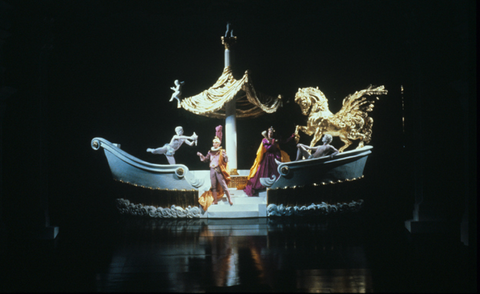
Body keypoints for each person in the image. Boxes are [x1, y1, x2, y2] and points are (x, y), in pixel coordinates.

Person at [243, 126, 294, 197]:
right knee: (264, 170)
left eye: (272, 133)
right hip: (268, 157)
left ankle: (277, 184)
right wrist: (272, 143)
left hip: (276, 156)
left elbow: (284, 141)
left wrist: (291, 137)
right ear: (268, 133)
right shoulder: (265, 140)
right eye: (270, 132)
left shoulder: (274, 139)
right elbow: (268, 148)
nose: (271, 134)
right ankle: (263, 186)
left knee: (276, 170)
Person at [197, 126, 233, 210]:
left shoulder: (222, 151)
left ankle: (230, 200)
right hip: (212, 170)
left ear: (219, 144)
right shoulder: (210, 152)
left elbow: (226, 160)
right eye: (213, 143)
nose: (214, 144)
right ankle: (215, 200)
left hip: (218, 170)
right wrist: (201, 155)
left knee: (223, 185)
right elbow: (205, 160)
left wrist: (226, 156)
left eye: (216, 143)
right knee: (213, 186)